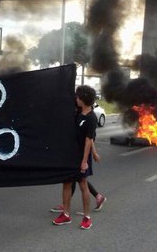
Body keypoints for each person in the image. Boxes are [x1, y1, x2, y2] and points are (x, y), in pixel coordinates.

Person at [54, 85, 99, 230]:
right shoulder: (78, 111)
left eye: (78, 97)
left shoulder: (91, 118)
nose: (76, 99)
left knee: (83, 185)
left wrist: (85, 161)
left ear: (84, 99)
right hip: (70, 156)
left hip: (81, 158)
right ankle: (65, 214)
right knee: (66, 183)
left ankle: (87, 217)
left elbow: (89, 140)